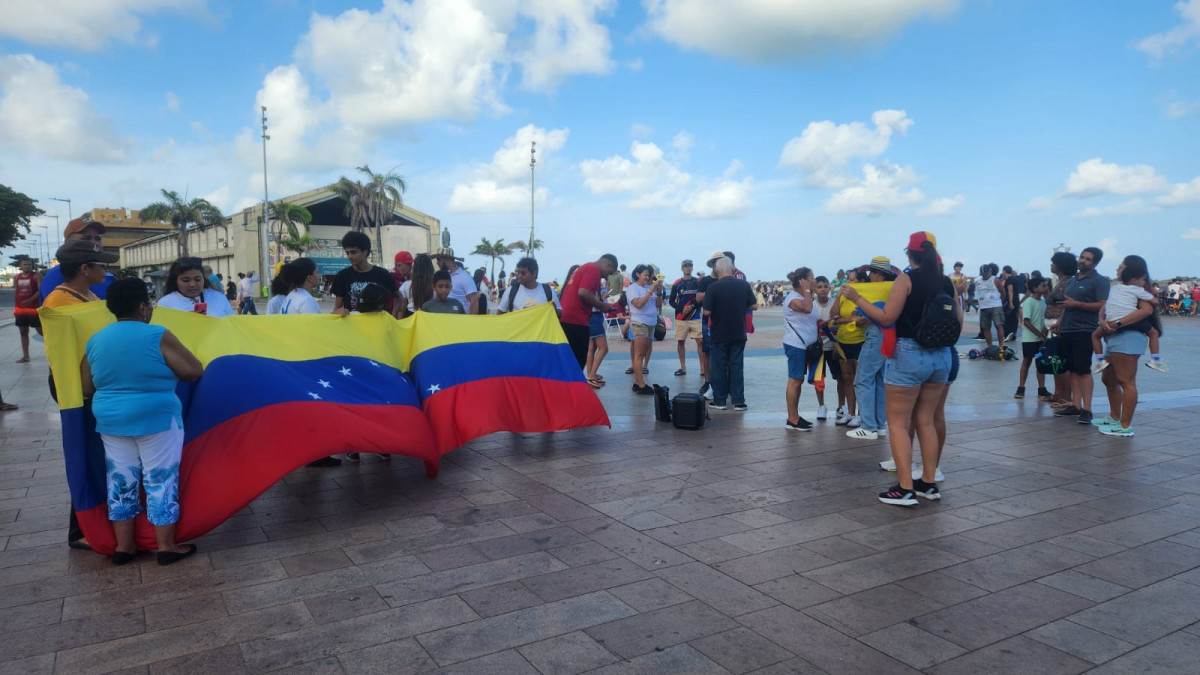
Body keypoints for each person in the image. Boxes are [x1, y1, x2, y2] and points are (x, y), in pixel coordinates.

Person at [81, 278, 204, 565]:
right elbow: (192, 370)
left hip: (110, 419)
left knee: (120, 479)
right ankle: (166, 546)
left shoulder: (96, 339)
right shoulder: (157, 335)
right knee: (160, 478)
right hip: (156, 417)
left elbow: (86, 387)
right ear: (142, 306)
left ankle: (124, 547)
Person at [842, 231, 959, 507]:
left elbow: (886, 317)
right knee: (927, 420)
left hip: (908, 353)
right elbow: (959, 320)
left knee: (898, 422)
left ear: (910, 255)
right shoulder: (946, 283)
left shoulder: (906, 280)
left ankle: (905, 488)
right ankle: (928, 483)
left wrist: (857, 298)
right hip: (941, 356)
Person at [44, 239, 121, 551]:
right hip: (78, 388)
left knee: (97, 456)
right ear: (84, 268)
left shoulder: (86, 295)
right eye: (102, 265)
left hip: (94, 385)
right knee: (84, 455)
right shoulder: (59, 303)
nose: (106, 269)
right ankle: (80, 530)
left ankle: (97, 520)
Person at [1094, 256, 1157, 437]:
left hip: (1128, 338)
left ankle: (1125, 426)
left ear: (1131, 271)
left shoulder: (1138, 290)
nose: (1117, 269)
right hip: (1114, 338)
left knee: (1126, 382)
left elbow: (1147, 310)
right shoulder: (1121, 289)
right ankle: (1115, 417)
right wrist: (1103, 321)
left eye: (1120, 267)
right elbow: (1105, 308)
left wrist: (1118, 324)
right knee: (1108, 379)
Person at [1052, 246, 1109, 425]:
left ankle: (1087, 409)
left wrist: (1078, 305)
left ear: (1095, 263)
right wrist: (1060, 322)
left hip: (1085, 330)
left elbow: (1102, 304)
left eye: (1088, 259)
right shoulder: (1073, 280)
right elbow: (1067, 304)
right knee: (1073, 369)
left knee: (1083, 370)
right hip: (1067, 329)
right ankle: (1075, 405)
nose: (1083, 261)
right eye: (1082, 257)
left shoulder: (1099, 281)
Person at [848, 257, 897, 440]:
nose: (868, 276)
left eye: (871, 273)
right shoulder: (892, 289)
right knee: (877, 379)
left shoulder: (878, 291)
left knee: (863, 379)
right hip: (887, 336)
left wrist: (858, 313)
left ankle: (868, 425)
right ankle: (879, 423)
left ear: (878, 274)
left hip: (876, 335)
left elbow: (874, 313)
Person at [702, 257, 757, 411]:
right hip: (738, 331)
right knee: (737, 366)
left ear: (717, 270)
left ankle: (719, 401)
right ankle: (738, 401)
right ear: (732, 269)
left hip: (719, 332)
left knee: (719, 366)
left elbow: (707, 311)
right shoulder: (744, 285)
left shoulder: (713, 287)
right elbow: (754, 305)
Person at [39, 215, 116, 304]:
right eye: (86, 238)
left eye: (98, 238)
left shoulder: (106, 276)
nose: (95, 243)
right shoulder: (57, 276)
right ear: (67, 243)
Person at [560, 254, 618, 369]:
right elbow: (583, 292)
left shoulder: (584, 267)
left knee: (568, 361)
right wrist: (601, 305)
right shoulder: (593, 269)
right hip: (575, 321)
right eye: (610, 272)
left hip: (567, 319)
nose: (607, 277)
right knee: (577, 362)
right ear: (608, 264)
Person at [830, 271, 867, 428]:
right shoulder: (843, 296)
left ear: (861, 282)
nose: (848, 283)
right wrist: (839, 296)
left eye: (852, 280)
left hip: (861, 341)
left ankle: (861, 414)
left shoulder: (864, 297)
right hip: (843, 341)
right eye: (847, 280)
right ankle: (850, 413)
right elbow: (833, 316)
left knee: (860, 379)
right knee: (847, 378)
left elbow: (865, 319)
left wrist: (844, 320)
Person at [781, 267, 817, 430]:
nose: (814, 281)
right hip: (796, 345)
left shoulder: (804, 297)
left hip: (804, 346)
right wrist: (808, 290)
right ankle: (792, 419)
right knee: (795, 380)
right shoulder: (793, 299)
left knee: (798, 380)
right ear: (803, 281)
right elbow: (807, 309)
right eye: (812, 278)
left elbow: (812, 317)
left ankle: (795, 415)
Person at [331, 232, 399, 317]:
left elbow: (399, 297)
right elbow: (336, 309)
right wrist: (339, 312)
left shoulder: (383, 274)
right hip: (352, 328)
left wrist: (393, 316)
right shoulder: (342, 276)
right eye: (347, 253)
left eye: (353, 252)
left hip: (378, 327)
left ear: (365, 252)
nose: (349, 256)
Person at [1044, 251, 1077, 407]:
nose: (1051, 265)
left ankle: (1066, 396)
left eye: (1053, 262)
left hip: (1060, 326)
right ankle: (1058, 393)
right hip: (1053, 325)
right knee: (1055, 360)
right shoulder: (1061, 282)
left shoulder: (1068, 283)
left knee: (1062, 361)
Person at [626, 264, 663, 395]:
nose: (648, 278)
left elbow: (658, 305)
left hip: (651, 323)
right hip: (640, 323)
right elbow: (639, 304)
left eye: (649, 275)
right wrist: (650, 290)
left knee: (644, 352)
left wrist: (658, 292)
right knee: (639, 355)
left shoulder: (649, 288)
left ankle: (637, 382)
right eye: (646, 275)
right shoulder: (632, 289)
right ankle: (641, 385)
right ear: (638, 274)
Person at [156, 257, 236, 317]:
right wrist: (184, 321)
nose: (192, 284)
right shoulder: (165, 304)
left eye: (197, 279)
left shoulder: (218, 297)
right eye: (185, 280)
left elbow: (231, 324)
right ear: (175, 281)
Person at [813, 276, 843, 420]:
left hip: (834, 346)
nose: (823, 289)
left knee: (840, 377)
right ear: (815, 289)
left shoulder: (834, 304)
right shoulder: (811, 306)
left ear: (830, 288)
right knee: (818, 378)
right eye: (819, 286)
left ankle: (841, 406)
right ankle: (821, 406)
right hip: (818, 348)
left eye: (825, 286)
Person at [1015, 277, 1050, 400]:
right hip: (1030, 339)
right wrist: (1039, 333)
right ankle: (1021, 387)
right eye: (1043, 285)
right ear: (1035, 288)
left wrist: (1045, 331)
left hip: (1041, 339)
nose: (1046, 288)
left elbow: (1046, 319)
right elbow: (1026, 321)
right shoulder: (1029, 302)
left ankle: (1041, 388)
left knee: (1040, 363)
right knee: (1027, 361)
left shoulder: (1043, 302)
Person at [668, 259, 703, 378]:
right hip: (680, 317)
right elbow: (671, 300)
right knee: (681, 341)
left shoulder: (698, 282)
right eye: (686, 266)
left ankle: (703, 368)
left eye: (690, 266)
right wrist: (681, 308)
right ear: (682, 268)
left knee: (700, 341)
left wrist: (693, 306)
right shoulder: (677, 283)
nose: (688, 268)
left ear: (692, 268)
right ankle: (683, 367)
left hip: (696, 316)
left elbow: (701, 298)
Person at [432, 248, 478, 315]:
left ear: (447, 259)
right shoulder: (442, 276)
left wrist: (471, 322)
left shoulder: (465, 277)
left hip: (460, 321)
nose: (437, 263)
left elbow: (474, 300)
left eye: (439, 260)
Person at [13, 259, 41, 362]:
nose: (27, 266)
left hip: (33, 308)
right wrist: (16, 307)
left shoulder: (36, 275)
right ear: (21, 266)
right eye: (25, 264)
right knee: (23, 331)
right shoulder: (17, 277)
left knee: (41, 331)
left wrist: (30, 300)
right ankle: (26, 356)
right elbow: (16, 292)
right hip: (21, 309)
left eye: (29, 264)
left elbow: (40, 290)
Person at [974, 263, 1004, 349]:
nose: (984, 276)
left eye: (986, 274)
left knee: (998, 325)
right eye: (983, 274)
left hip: (996, 306)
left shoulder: (995, 280)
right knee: (986, 328)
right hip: (983, 307)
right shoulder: (978, 281)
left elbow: (1003, 292)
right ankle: (990, 347)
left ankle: (1001, 346)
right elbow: (978, 294)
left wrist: (999, 301)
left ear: (990, 271)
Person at [399, 253, 435, 318]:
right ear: (430, 268)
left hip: (411, 317)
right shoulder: (436, 286)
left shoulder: (406, 285)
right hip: (430, 317)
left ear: (414, 268)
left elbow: (402, 308)